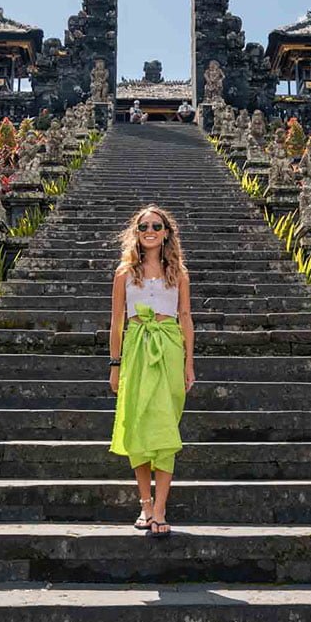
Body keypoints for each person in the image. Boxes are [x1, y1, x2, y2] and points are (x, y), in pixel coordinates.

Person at [108, 204, 195, 538]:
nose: (149, 231)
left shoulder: (179, 273)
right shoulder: (124, 273)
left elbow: (185, 317)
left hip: (169, 348)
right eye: (143, 226)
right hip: (136, 350)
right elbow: (116, 321)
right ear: (136, 232)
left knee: (164, 429)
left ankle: (161, 508)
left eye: (156, 226)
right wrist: (115, 365)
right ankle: (146, 505)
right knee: (139, 427)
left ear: (166, 233)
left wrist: (189, 363)